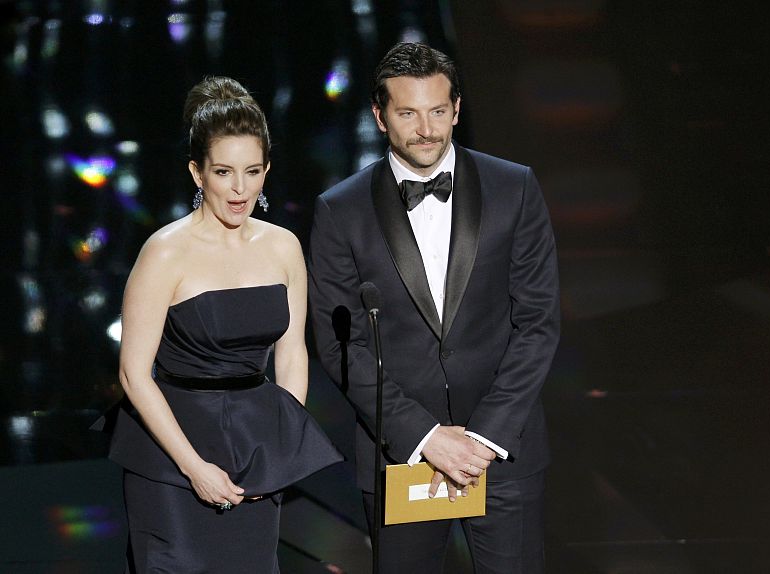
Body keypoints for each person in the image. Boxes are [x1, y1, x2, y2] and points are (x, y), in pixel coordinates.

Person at [308, 43, 560, 573]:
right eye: (408, 113)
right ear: (380, 116)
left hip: (502, 451)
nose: (426, 129)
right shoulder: (340, 210)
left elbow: (537, 322)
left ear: (457, 109)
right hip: (401, 454)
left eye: (438, 111)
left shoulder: (513, 187)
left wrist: (485, 437)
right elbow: (340, 344)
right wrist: (423, 437)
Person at [103, 76, 342, 572]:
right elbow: (133, 374)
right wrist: (194, 468)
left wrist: (278, 453)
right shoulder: (165, 252)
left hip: (256, 450)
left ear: (267, 169)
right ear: (197, 173)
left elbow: (292, 354)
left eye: (253, 171)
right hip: (172, 456)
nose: (240, 189)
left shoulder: (283, 246)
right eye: (224, 172)